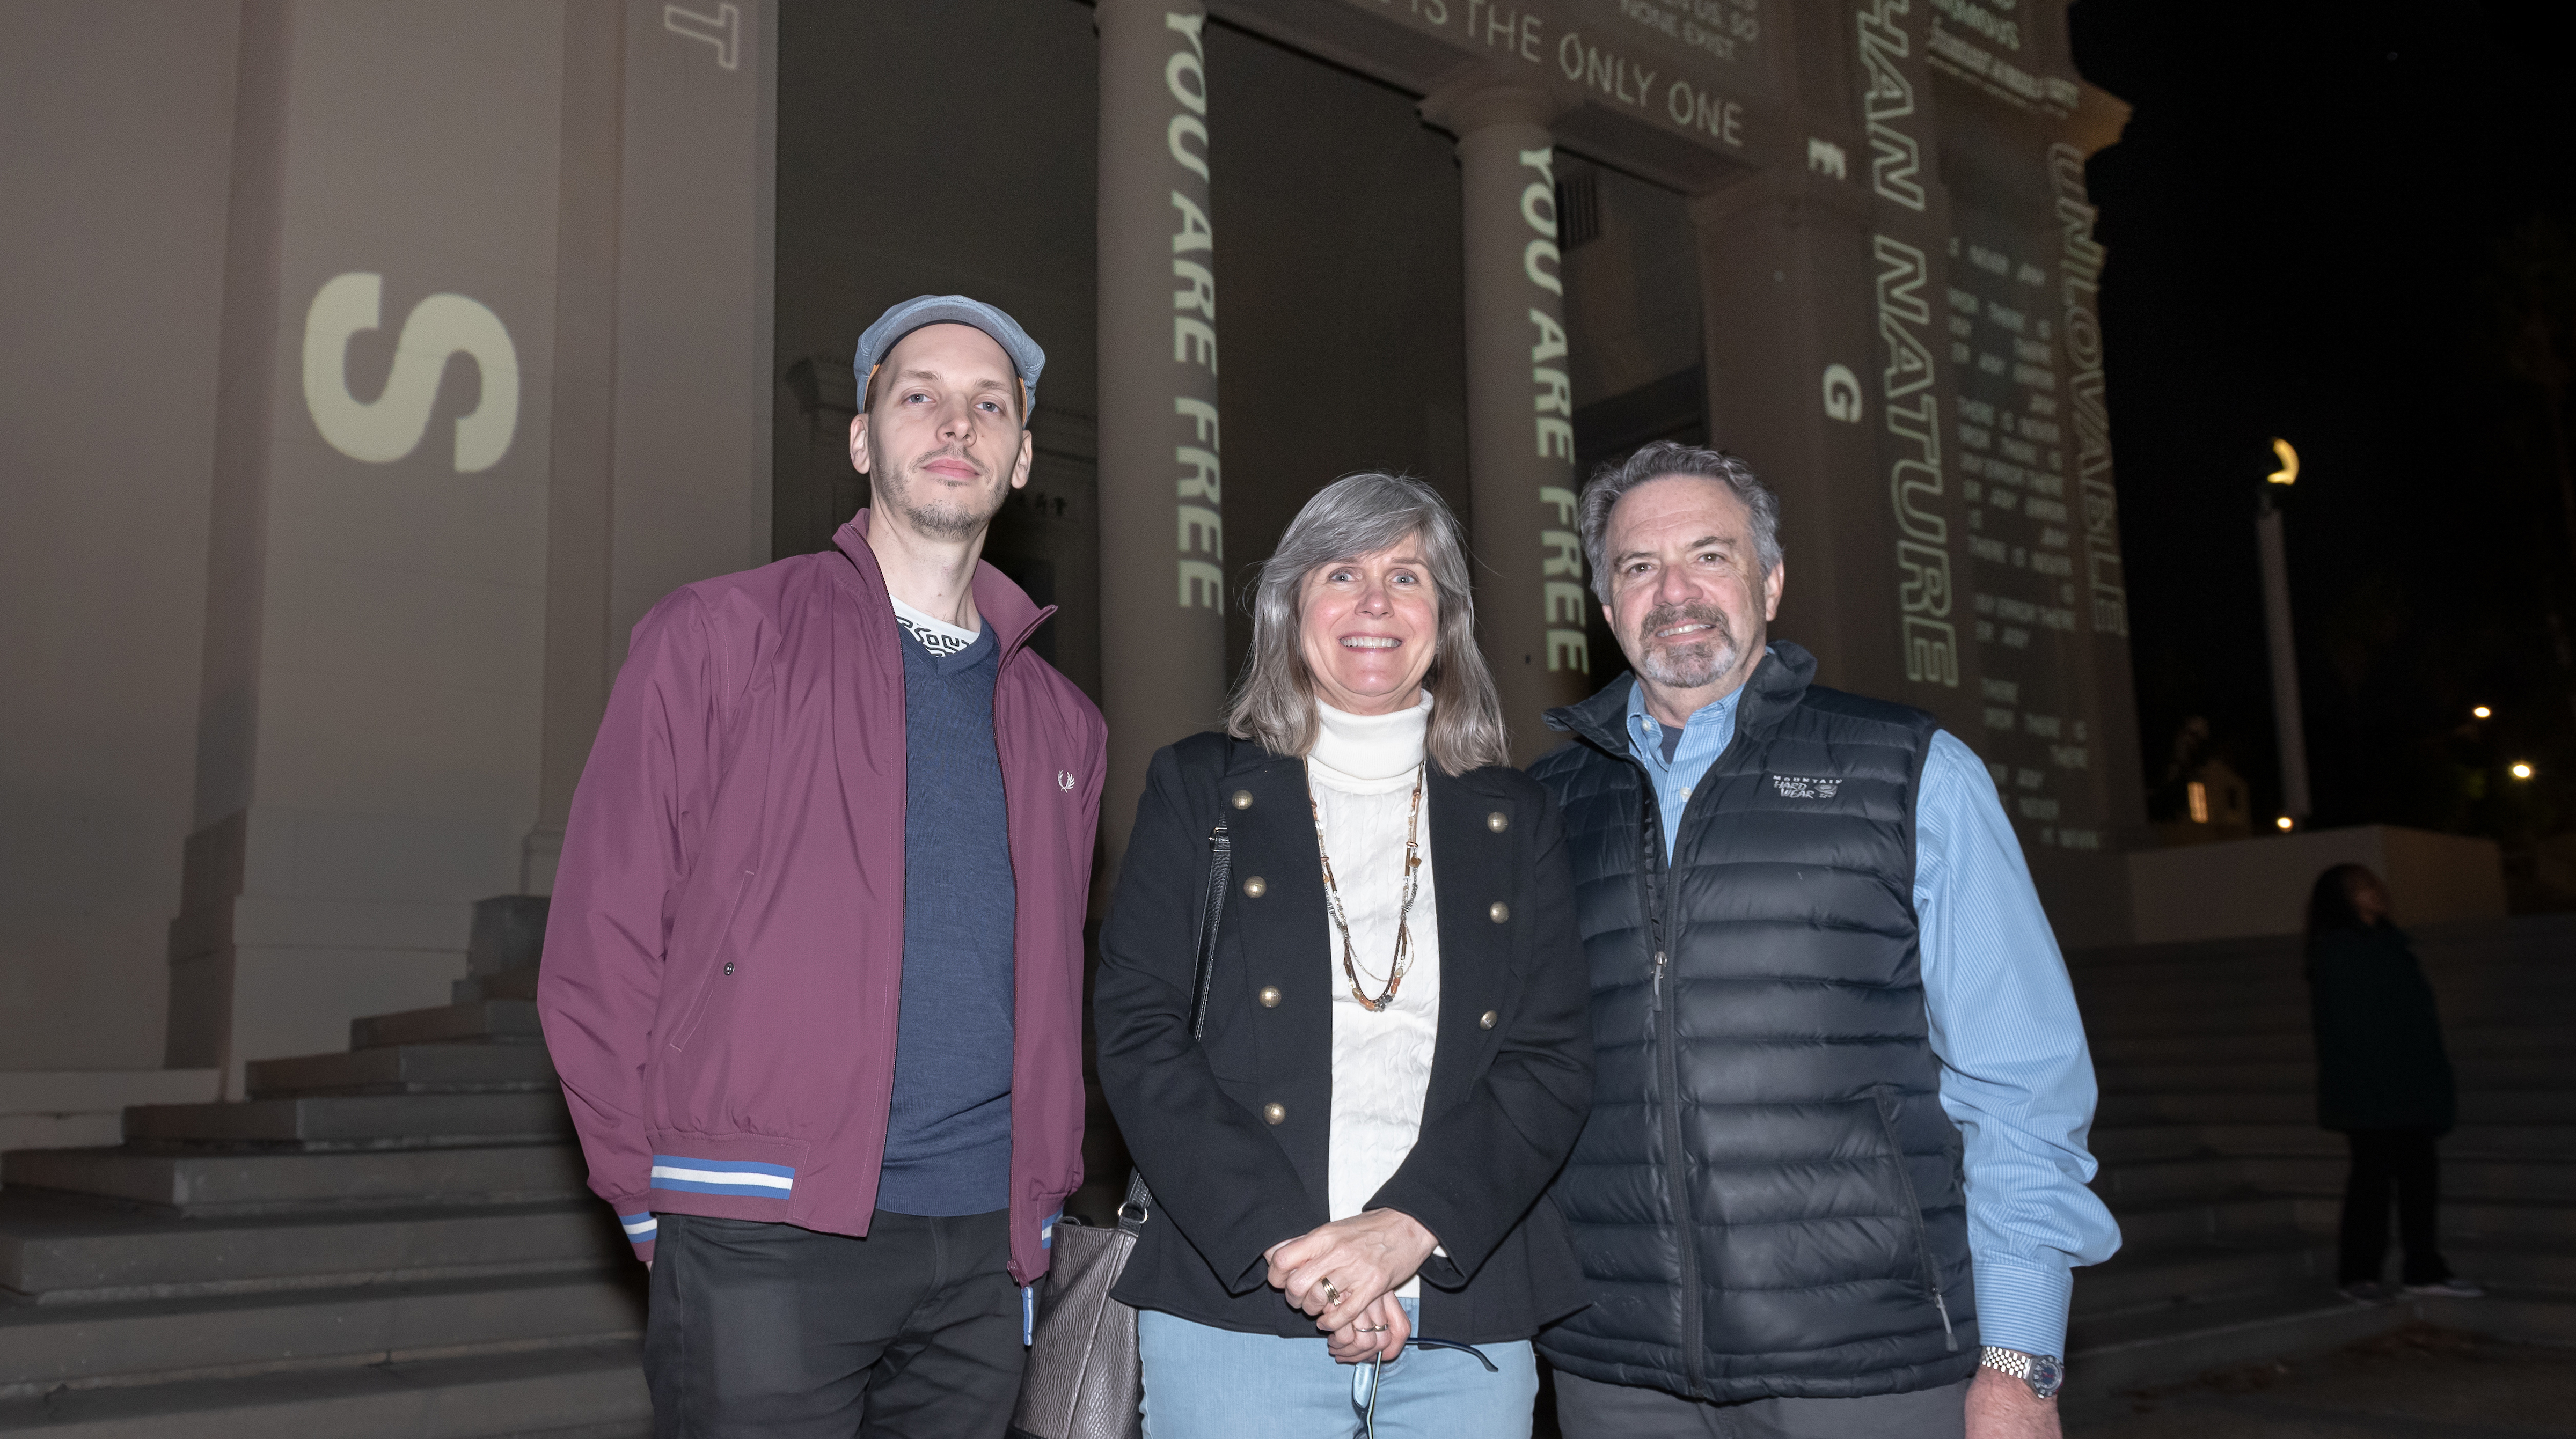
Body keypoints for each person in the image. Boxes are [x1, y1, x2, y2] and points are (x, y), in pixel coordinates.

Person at [538, 296, 1107, 1438]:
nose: (958, 422)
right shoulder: (716, 636)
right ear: (861, 441)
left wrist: (1040, 1205)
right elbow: (599, 944)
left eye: (989, 404)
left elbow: (1050, 988)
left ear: (1023, 457)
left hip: (987, 1248)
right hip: (762, 1228)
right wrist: (650, 1197)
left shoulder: (1065, 723)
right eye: (919, 396)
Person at [1527, 442, 2122, 1439]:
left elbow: (2021, 1084)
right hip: (1616, 1374)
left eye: (1710, 555)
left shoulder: (1911, 772)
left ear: (1771, 578)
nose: (1675, 591)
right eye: (1639, 566)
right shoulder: (1541, 810)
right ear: (1606, 601)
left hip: (1873, 1372)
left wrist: (2021, 1360)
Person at [1093, 473, 1594, 1439]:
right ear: (1290, 611)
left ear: (1443, 621)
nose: (1375, 602)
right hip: (1239, 1296)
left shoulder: (1516, 815)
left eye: (1408, 576)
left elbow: (1552, 1060)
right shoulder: (1200, 788)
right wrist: (1312, 1257)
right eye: (1342, 572)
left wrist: (1405, 1231)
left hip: (1465, 1313)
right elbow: (1140, 1033)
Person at [2306, 863, 2482, 1304]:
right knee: (2372, 1184)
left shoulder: (2393, 947)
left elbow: (2420, 1025)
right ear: (2342, 900)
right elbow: (2351, 1030)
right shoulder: (2340, 950)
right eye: (2362, 888)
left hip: (2409, 1090)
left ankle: (2423, 1270)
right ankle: (2360, 1274)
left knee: (2420, 1182)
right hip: (2372, 1094)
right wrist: (2380, 1089)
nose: (2376, 892)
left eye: (2375, 884)